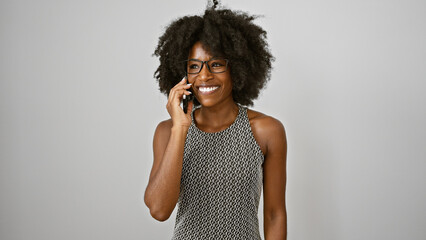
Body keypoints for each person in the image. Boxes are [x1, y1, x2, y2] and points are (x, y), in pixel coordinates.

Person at [144, 1, 287, 239]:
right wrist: (180, 127)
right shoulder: (167, 131)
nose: (204, 76)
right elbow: (159, 210)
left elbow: (274, 214)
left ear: (238, 68)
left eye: (216, 64)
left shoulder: (266, 130)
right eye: (194, 66)